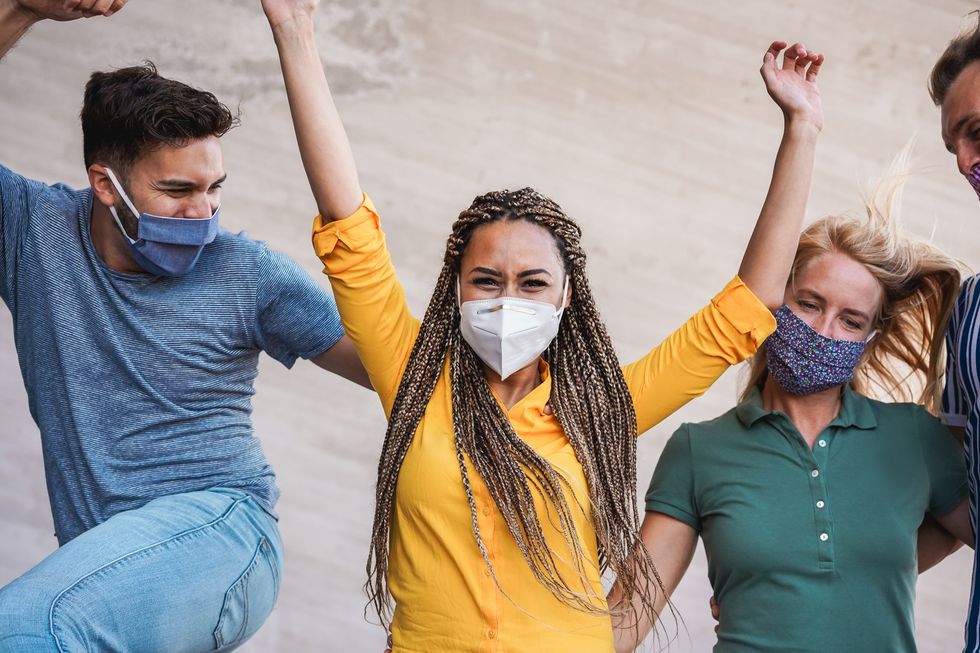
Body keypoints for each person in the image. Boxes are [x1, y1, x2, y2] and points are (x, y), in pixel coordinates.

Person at [263, 0, 828, 649]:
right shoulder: (414, 378)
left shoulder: (602, 406)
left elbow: (744, 312)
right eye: (486, 279)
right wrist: (293, 29)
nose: (509, 298)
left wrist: (802, 129)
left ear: (565, 300)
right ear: (455, 291)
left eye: (533, 282)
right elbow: (347, 223)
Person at [0, 1, 369, 650]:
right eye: (178, 191)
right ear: (105, 185)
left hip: (222, 529)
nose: (204, 213)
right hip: (109, 563)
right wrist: (23, 9)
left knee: (28, 627)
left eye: (215, 188)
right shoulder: (32, 231)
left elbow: (393, 363)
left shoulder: (243, 271)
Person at [618, 160, 973, 651]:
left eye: (850, 320)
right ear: (776, 301)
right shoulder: (699, 449)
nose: (823, 330)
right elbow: (624, 621)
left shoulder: (912, 437)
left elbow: (964, 528)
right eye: (808, 304)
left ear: (870, 338)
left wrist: (863, 579)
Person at [931, 13, 980, 652]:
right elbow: (959, 501)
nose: (967, 162)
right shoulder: (969, 311)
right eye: (956, 148)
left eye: (977, 132)